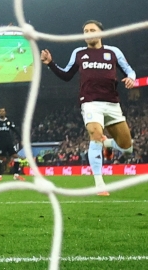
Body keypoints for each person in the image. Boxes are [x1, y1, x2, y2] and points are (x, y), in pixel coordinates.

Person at [40, 20, 136, 195]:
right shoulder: (79, 53)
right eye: (85, 31)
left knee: (127, 146)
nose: (88, 33)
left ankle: (107, 142)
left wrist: (131, 78)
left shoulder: (113, 52)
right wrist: (51, 64)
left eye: (92, 30)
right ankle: (100, 184)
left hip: (112, 103)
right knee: (95, 135)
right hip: (90, 102)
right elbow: (66, 75)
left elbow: (129, 70)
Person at [0, 108, 22, 181]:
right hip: (1, 142)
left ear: (5, 113)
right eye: (0, 111)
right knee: (0, 158)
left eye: (3, 111)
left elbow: (15, 130)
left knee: (16, 157)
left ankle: (16, 175)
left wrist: (20, 138)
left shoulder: (8, 121)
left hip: (9, 142)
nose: (2, 113)